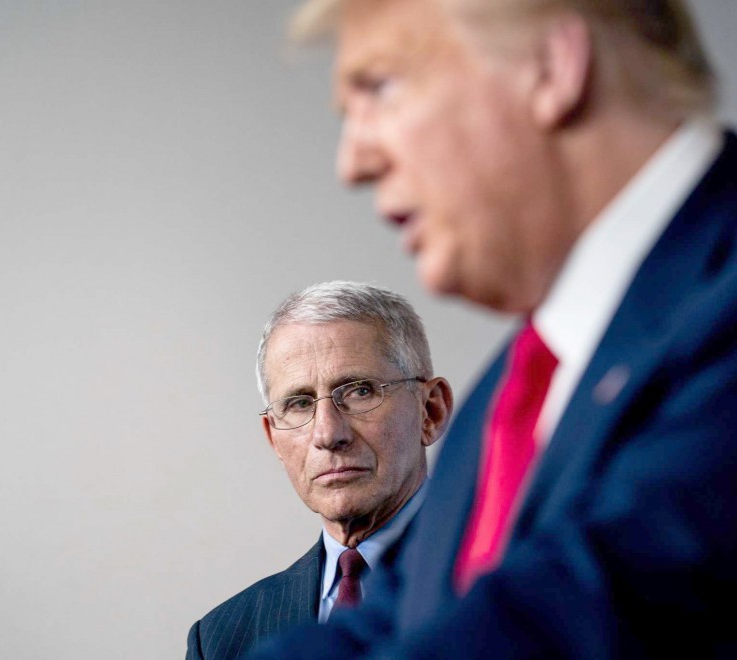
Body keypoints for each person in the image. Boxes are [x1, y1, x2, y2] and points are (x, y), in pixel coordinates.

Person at [249, 0, 737, 657]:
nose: (352, 162)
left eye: (381, 87)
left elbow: (576, 620)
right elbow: (390, 624)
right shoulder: (509, 395)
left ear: (550, 66)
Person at [186, 281, 453, 659]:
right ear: (274, 438)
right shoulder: (220, 639)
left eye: (360, 391)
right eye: (299, 403)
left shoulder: (511, 581)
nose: (328, 434)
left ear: (430, 412)